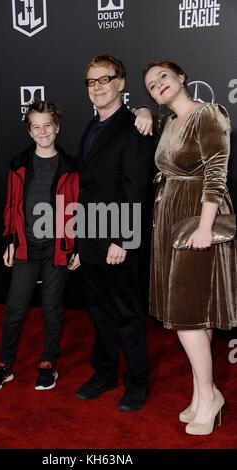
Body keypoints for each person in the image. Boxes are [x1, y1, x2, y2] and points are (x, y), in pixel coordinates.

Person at [141, 60, 237, 434]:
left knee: (186, 316)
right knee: (194, 312)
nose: (158, 84)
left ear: (182, 77)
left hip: (198, 217)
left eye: (163, 76)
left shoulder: (208, 115)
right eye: (150, 85)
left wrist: (205, 226)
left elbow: (217, 170)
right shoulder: (168, 124)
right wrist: (143, 109)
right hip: (171, 219)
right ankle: (202, 395)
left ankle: (209, 396)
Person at [69, 55, 156, 411]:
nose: (97, 87)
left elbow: (136, 188)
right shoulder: (91, 127)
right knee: (98, 310)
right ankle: (104, 373)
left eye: (105, 79)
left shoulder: (134, 125)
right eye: (91, 81)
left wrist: (122, 238)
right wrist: (78, 240)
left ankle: (137, 382)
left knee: (127, 313)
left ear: (121, 83)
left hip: (118, 237)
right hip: (89, 234)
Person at [0, 99, 79, 391]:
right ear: (29, 131)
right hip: (25, 246)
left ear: (57, 127)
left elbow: (78, 209)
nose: (42, 131)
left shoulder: (72, 167)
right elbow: (11, 207)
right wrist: (9, 240)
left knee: (52, 307)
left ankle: (48, 363)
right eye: (36, 127)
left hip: (57, 249)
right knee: (15, 307)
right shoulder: (18, 164)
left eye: (47, 125)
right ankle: (4, 364)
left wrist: (78, 247)